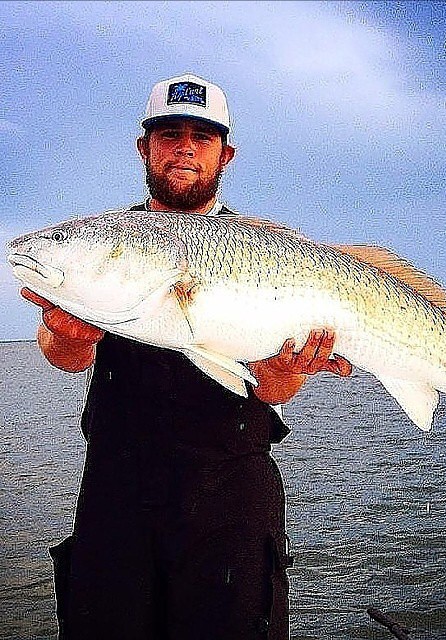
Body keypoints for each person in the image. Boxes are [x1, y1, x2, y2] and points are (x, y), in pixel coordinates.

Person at [22, 73, 352, 640]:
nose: (184, 146)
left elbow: (273, 390)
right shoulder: (108, 245)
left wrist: (287, 369)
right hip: (116, 497)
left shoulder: (267, 254)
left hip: (231, 503)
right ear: (144, 148)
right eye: (169, 132)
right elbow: (61, 350)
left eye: (202, 136)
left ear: (226, 155)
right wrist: (68, 332)